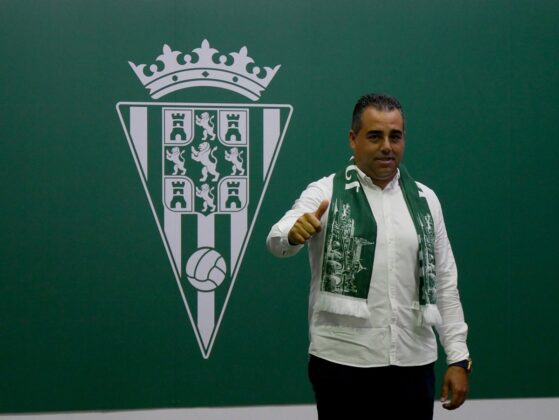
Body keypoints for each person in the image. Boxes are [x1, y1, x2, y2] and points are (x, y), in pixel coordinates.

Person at [266, 93, 470, 420]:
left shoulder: (426, 201)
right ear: (353, 139)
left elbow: (445, 282)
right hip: (342, 365)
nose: (387, 146)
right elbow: (277, 240)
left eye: (395, 136)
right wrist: (292, 233)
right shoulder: (325, 193)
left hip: (413, 364)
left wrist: (458, 358)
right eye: (375, 136)